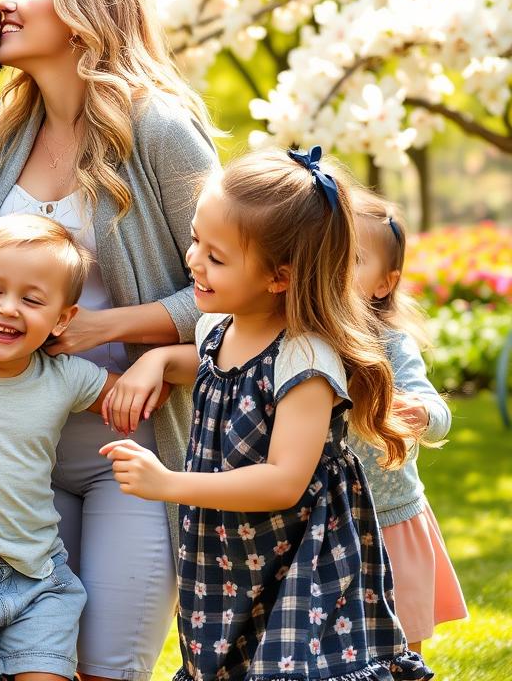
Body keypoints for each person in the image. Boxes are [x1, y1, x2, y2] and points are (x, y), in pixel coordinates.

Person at [101, 147, 434, 681]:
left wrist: (170, 483)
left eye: (217, 257)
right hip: (231, 555)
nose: (193, 262)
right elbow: (217, 372)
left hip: (298, 555)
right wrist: (160, 360)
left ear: (279, 277)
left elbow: (284, 482)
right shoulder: (219, 327)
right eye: (195, 241)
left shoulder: (305, 359)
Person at [0, 0, 219, 680]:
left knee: (108, 663)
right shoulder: (7, 133)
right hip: (24, 445)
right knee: (31, 662)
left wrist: (118, 333)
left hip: (133, 445)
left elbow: (234, 289)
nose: (3, 4)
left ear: (84, 19)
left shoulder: (159, 129)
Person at [0, 215, 143, 681]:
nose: (9, 309)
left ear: (63, 318)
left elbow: (132, 396)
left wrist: (158, 361)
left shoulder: (65, 378)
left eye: (32, 299)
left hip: (40, 577)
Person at [348, 188, 467, 652]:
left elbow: (432, 407)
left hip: (389, 517)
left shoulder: (391, 345)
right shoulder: (301, 336)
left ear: (384, 283)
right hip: (325, 520)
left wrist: (422, 413)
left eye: (352, 260)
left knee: (400, 644)